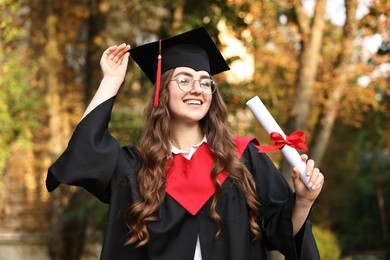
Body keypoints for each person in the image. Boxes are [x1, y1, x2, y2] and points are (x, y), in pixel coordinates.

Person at [46, 27, 324, 260]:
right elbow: (84, 151)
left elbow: (282, 231)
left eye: (205, 83)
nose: (196, 89)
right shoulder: (136, 167)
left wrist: (303, 201)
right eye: (183, 79)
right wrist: (111, 80)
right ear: (161, 91)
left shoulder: (243, 157)